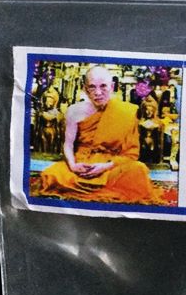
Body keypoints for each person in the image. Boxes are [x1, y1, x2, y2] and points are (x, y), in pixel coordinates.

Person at [39, 66, 156, 203]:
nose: (98, 92)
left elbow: (131, 154)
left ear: (112, 87)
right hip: (82, 163)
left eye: (103, 86)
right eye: (92, 87)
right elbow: (68, 144)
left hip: (111, 166)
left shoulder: (127, 112)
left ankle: (95, 188)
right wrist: (73, 165)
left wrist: (105, 166)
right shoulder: (74, 111)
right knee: (50, 175)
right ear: (85, 89)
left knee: (139, 170)